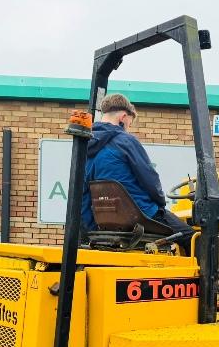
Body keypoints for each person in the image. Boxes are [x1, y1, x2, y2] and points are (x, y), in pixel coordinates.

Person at [82, 93, 193, 253]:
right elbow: (149, 178)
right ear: (123, 117)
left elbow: (84, 193)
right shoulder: (126, 141)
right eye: (129, 123)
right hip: (142, 215)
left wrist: (93, 229)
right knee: (193, 237)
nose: (128, 127)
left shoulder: (86, 146)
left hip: (107, 223)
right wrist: (160, 205)